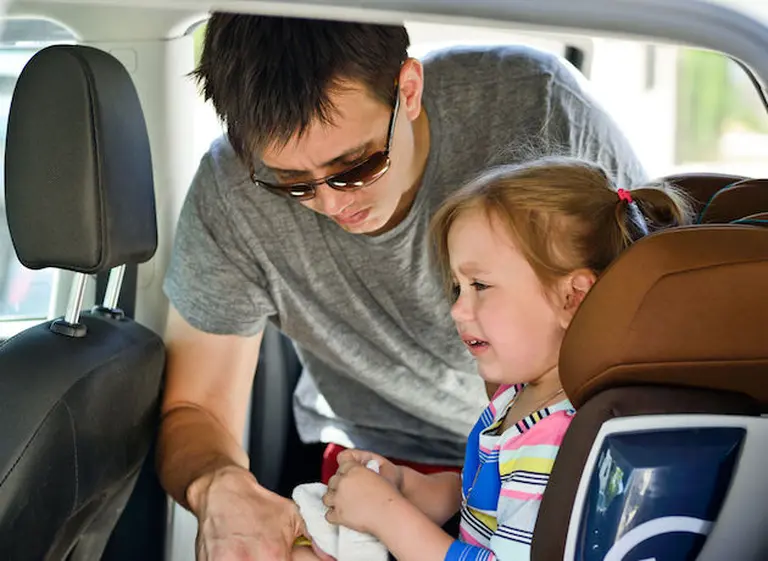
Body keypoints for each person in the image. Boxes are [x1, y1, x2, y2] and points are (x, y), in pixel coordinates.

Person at [157, 12, 648, 561]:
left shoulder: (540, 109)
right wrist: (218, 488)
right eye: (292, 185)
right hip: (388, 468)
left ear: (407, 90)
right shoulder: (231, 194)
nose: (333, 204)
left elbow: (659, 318)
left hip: (564, 458)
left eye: (355, 166)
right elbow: (194, 408)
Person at [312, 157, 694, 561]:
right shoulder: (522, 397)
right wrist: (408, 487)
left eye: (480, 285)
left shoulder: (554, 438)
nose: (458, 309)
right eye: (457, 287)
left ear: (573, 298)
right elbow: (489, 498)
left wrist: (387, 517)